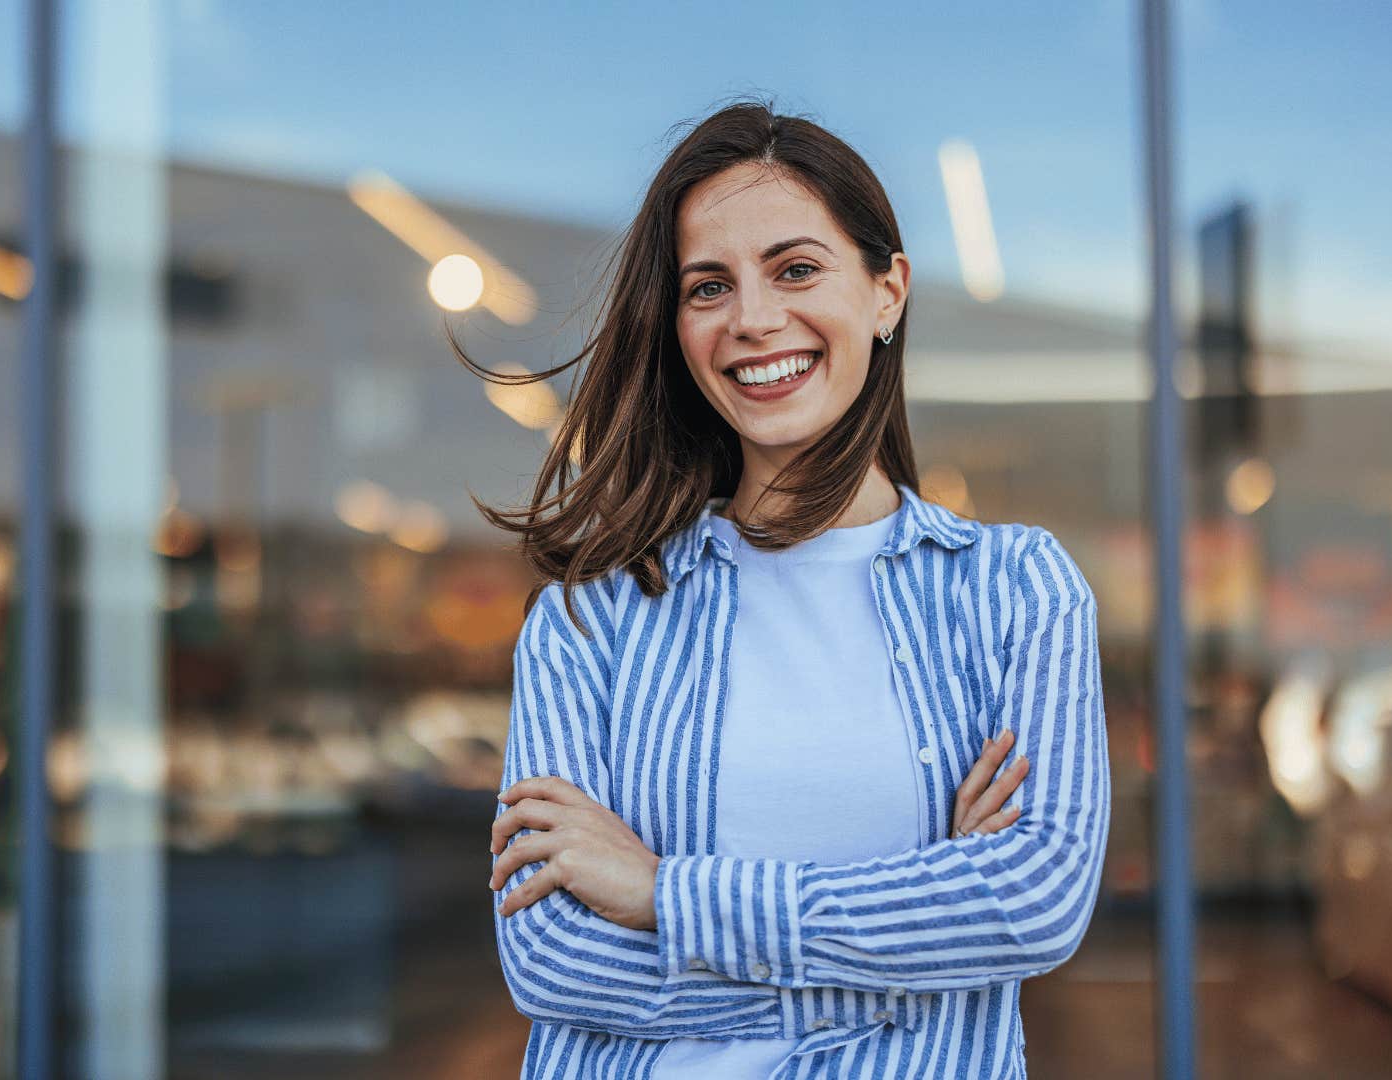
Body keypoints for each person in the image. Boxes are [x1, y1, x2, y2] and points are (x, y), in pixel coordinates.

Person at [463, 100, 1109, 1079]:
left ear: (886, 290)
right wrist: (925, 932)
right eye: (707, 286)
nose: (754, 320)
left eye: (796, 268)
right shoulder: (589, 619)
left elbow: (1034, 902)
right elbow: (553, 961)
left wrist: (665, 895)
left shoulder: (1015, 592)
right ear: (675, 325)